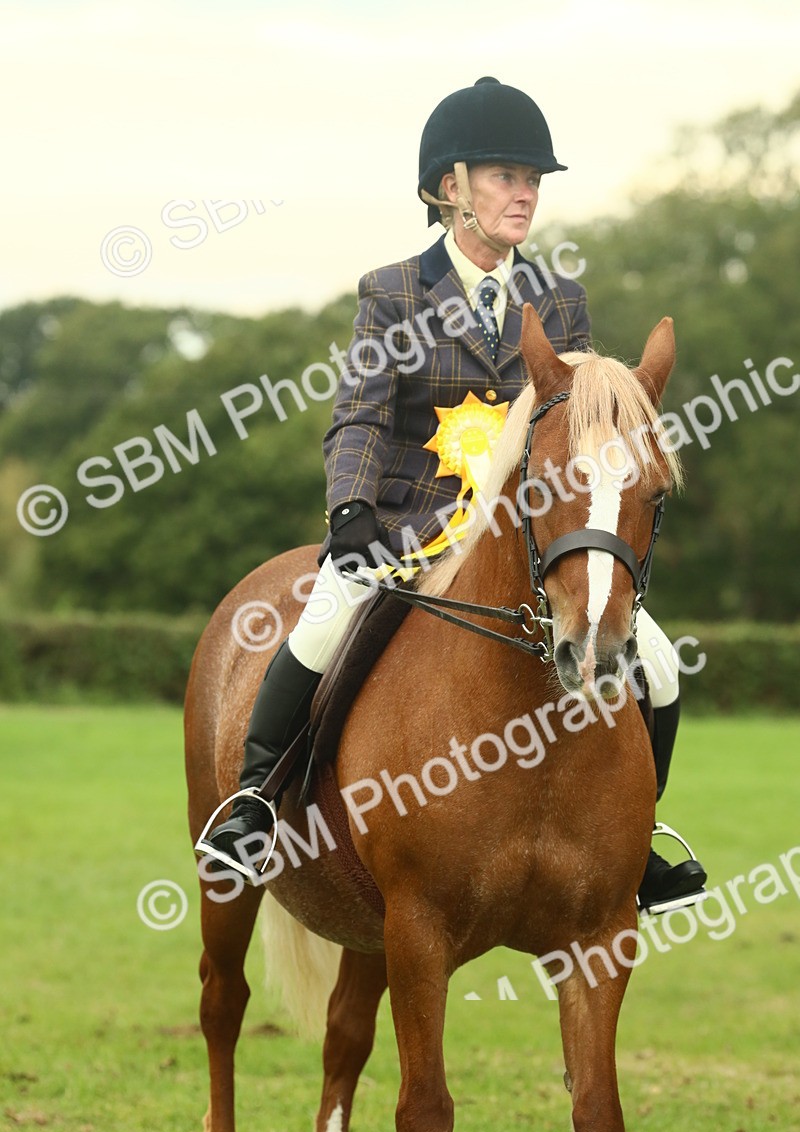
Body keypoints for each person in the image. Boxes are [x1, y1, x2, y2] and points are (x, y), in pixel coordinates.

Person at [196, 77, 707, 912]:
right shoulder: (392, 291)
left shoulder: (561, 300)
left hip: (525, 537)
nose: (526, 192)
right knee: (325, 616)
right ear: (450, 189)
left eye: (534, 179)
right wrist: (351, 512)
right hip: (409, 528)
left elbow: (584, 427)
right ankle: (255, 802)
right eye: (507, 175)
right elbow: (358, 418)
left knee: (652, 656)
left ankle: (639, 837)